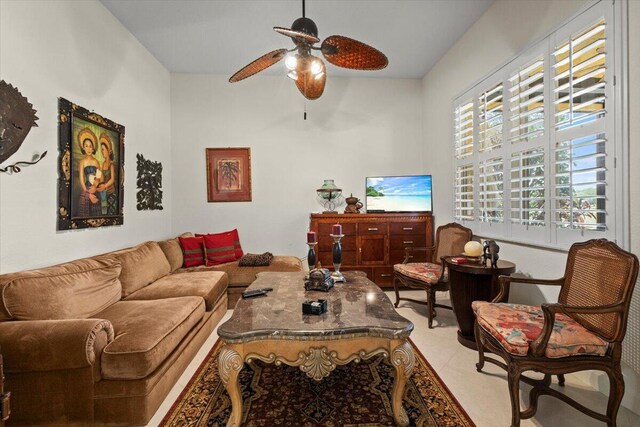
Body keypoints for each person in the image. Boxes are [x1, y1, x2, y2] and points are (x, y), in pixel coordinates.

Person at [77, 128, 102, 217]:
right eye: (86, 146)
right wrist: (88, 194)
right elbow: (81, 179)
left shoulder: (96, 162)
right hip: (86, 189)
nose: (88, 148)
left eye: (90, 146)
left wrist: (95, 187)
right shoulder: (82, 162)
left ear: (93, 148)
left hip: (95, 187)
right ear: (83, 147)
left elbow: (98, 176)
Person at [97, 134, 117, 215]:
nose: (102, 152)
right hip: (104, 192)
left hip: (111, 193)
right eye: (101, 150)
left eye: (103, 149)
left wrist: (104, 186)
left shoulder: (111, 164)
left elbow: (112, 179)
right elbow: (102, 177)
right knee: (104, 212)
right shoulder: (103, 164)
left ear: (109, 151)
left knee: (110, 212)